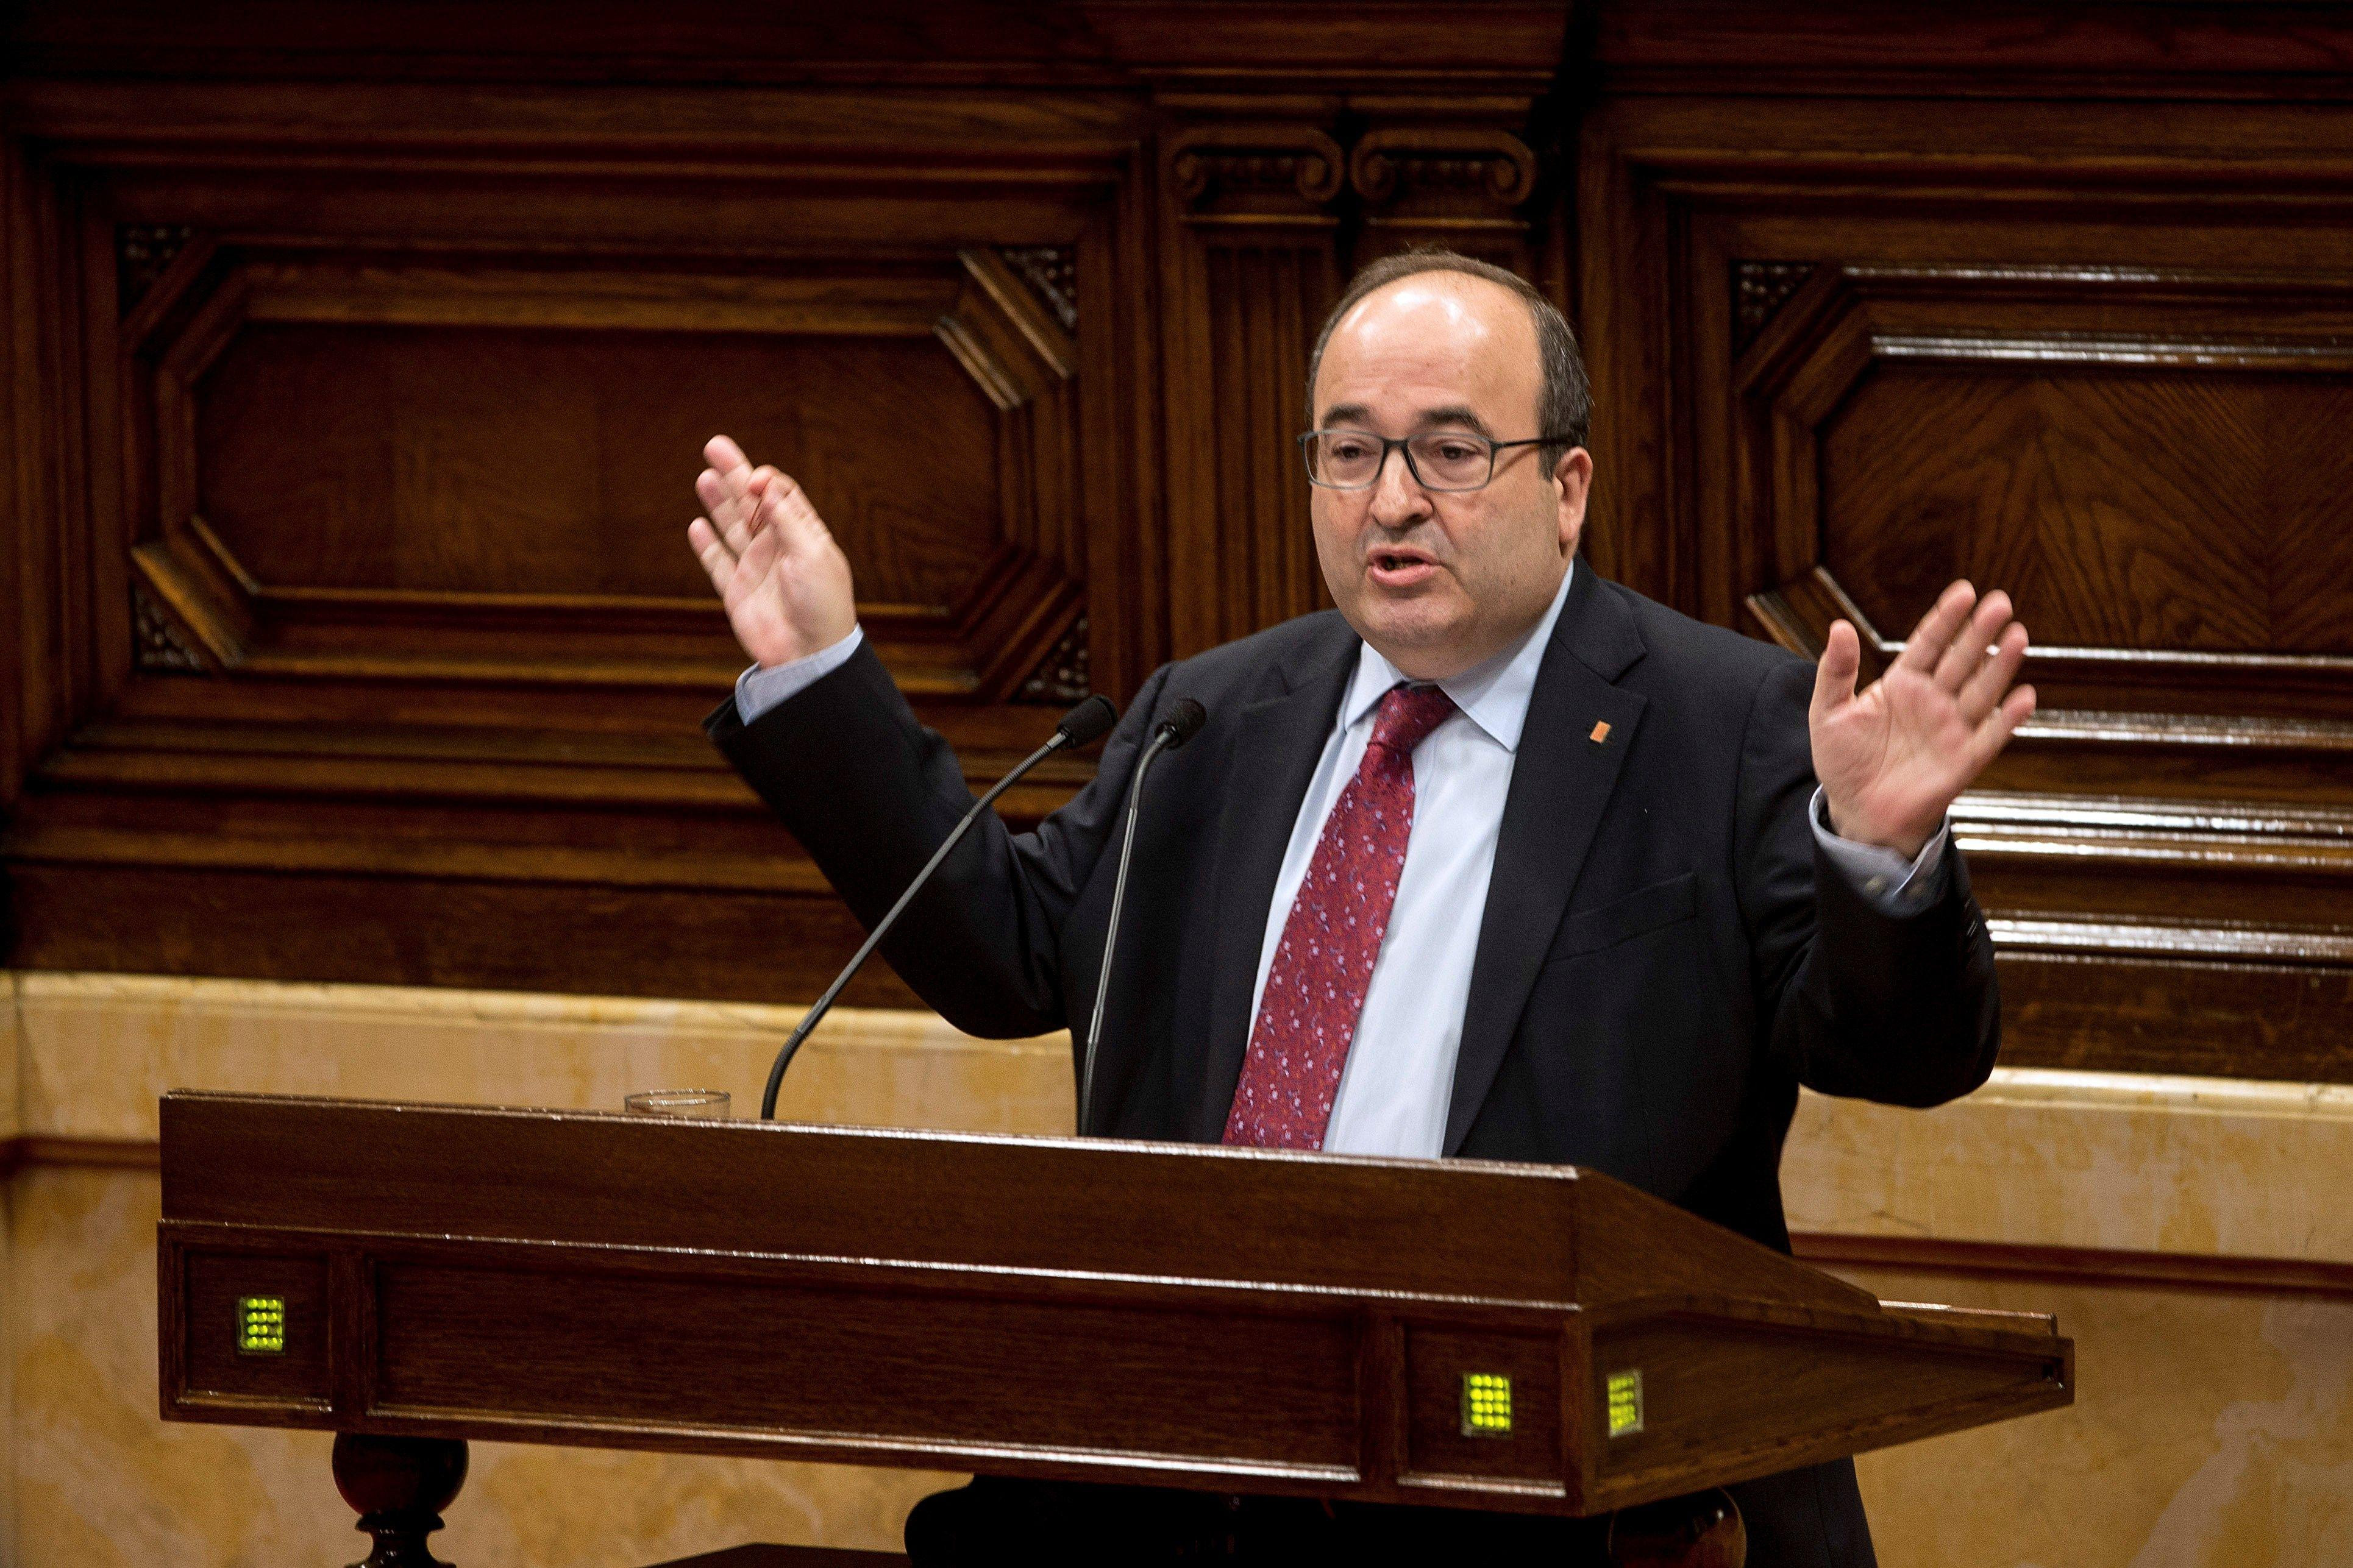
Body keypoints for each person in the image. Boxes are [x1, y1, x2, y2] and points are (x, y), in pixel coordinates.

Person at [687, 249, 2032, 1567]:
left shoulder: (1723, 720)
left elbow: (1907, 1058)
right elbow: (1008, 953)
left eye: (1450, 451)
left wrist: (1879, 854)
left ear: (1566, 488)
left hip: (1575, 1503)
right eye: (1349, 451)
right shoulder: (1207, 716)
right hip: (1195, 1491)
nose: (1391, 500)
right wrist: (821, 673)